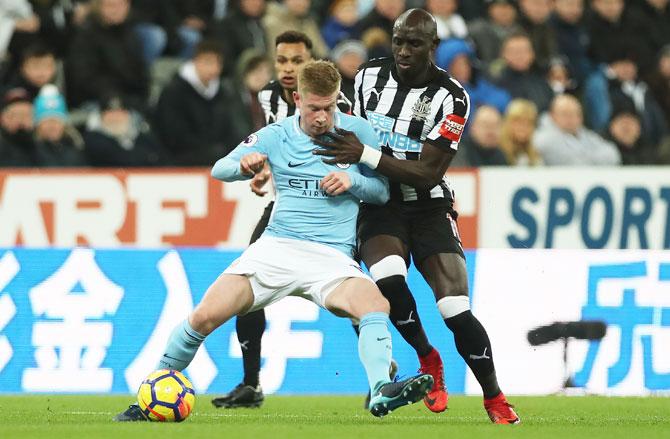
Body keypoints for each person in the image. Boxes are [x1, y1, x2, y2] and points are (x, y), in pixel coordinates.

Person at [113, 60, 433, 422]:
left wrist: (353, 183)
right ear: (298, 99)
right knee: (203, 316)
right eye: (314, 108)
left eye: (329, 107)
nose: (322, 117)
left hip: (330, 256)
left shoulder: (357, 133)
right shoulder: (276, 135)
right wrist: (245, 165)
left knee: (374, 304)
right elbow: (220, 168)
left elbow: (381, 192)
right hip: (276, 249)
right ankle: (147, 398)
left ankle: (380, 390)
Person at [312, 8, 520, 424]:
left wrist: (367, 154)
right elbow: (346, 134)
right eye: (398, 41)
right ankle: (429, 358)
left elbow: (428, 173)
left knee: (454, 309)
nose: (404, 51)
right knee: (388, 279)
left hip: (429, 206)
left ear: (433, 47)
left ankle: (494, 397)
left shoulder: (452, 96)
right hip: (380, 203)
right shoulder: (368, 76)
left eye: (414, 43)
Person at [210, 30, 355, 410]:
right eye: (282, 61)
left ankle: (381, 376)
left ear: (314, 62)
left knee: (357, 288)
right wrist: (261, 171)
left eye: (297, 60)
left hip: (338, 207)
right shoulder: (269, 95)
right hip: (286, 208)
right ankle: (250, 383)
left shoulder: (341, 99)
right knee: (248, 278)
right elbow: (275, 142)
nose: (289, 68)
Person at [533, 94, 621, 166]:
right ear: (552, 115)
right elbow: (572, 163)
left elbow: (613, 155)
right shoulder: (542, 139)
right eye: (565, 114)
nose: (571, 118)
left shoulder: (586, 135)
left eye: (576, 114)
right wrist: (594, 160)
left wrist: (585, 159)